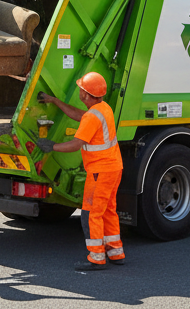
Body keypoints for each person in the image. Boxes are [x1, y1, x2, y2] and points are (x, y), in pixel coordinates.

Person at [36, 72, 124, 271]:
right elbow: (79, 115)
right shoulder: (103, 109)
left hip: (100, 171)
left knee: (91, 213)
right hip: (113, 168)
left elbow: (76, 144)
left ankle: (96, 257)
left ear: (85, 94)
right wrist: (55, 101)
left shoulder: (93, 116)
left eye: (81, 89)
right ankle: (115, 252)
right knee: (108, 210)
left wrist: (52, 146)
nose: (80, 92)